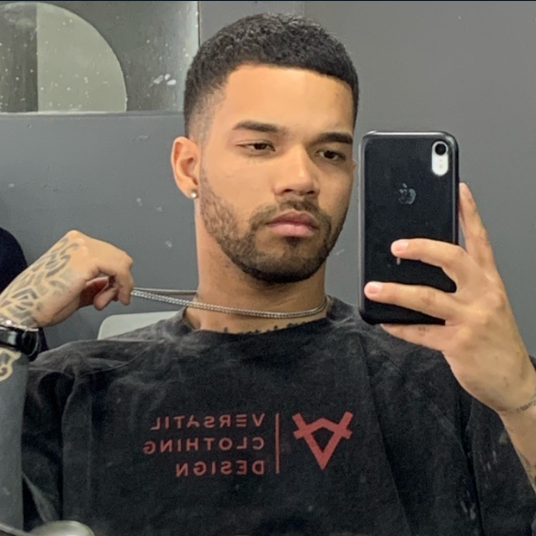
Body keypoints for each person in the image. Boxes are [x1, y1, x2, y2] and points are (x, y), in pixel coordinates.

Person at [0, 12, 535, 536]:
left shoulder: (451, 377)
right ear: (189, 167)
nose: (301, 178)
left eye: (329, 153)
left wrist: (523, 399)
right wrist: (6, 323)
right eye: (260, 146)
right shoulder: (72, 390)